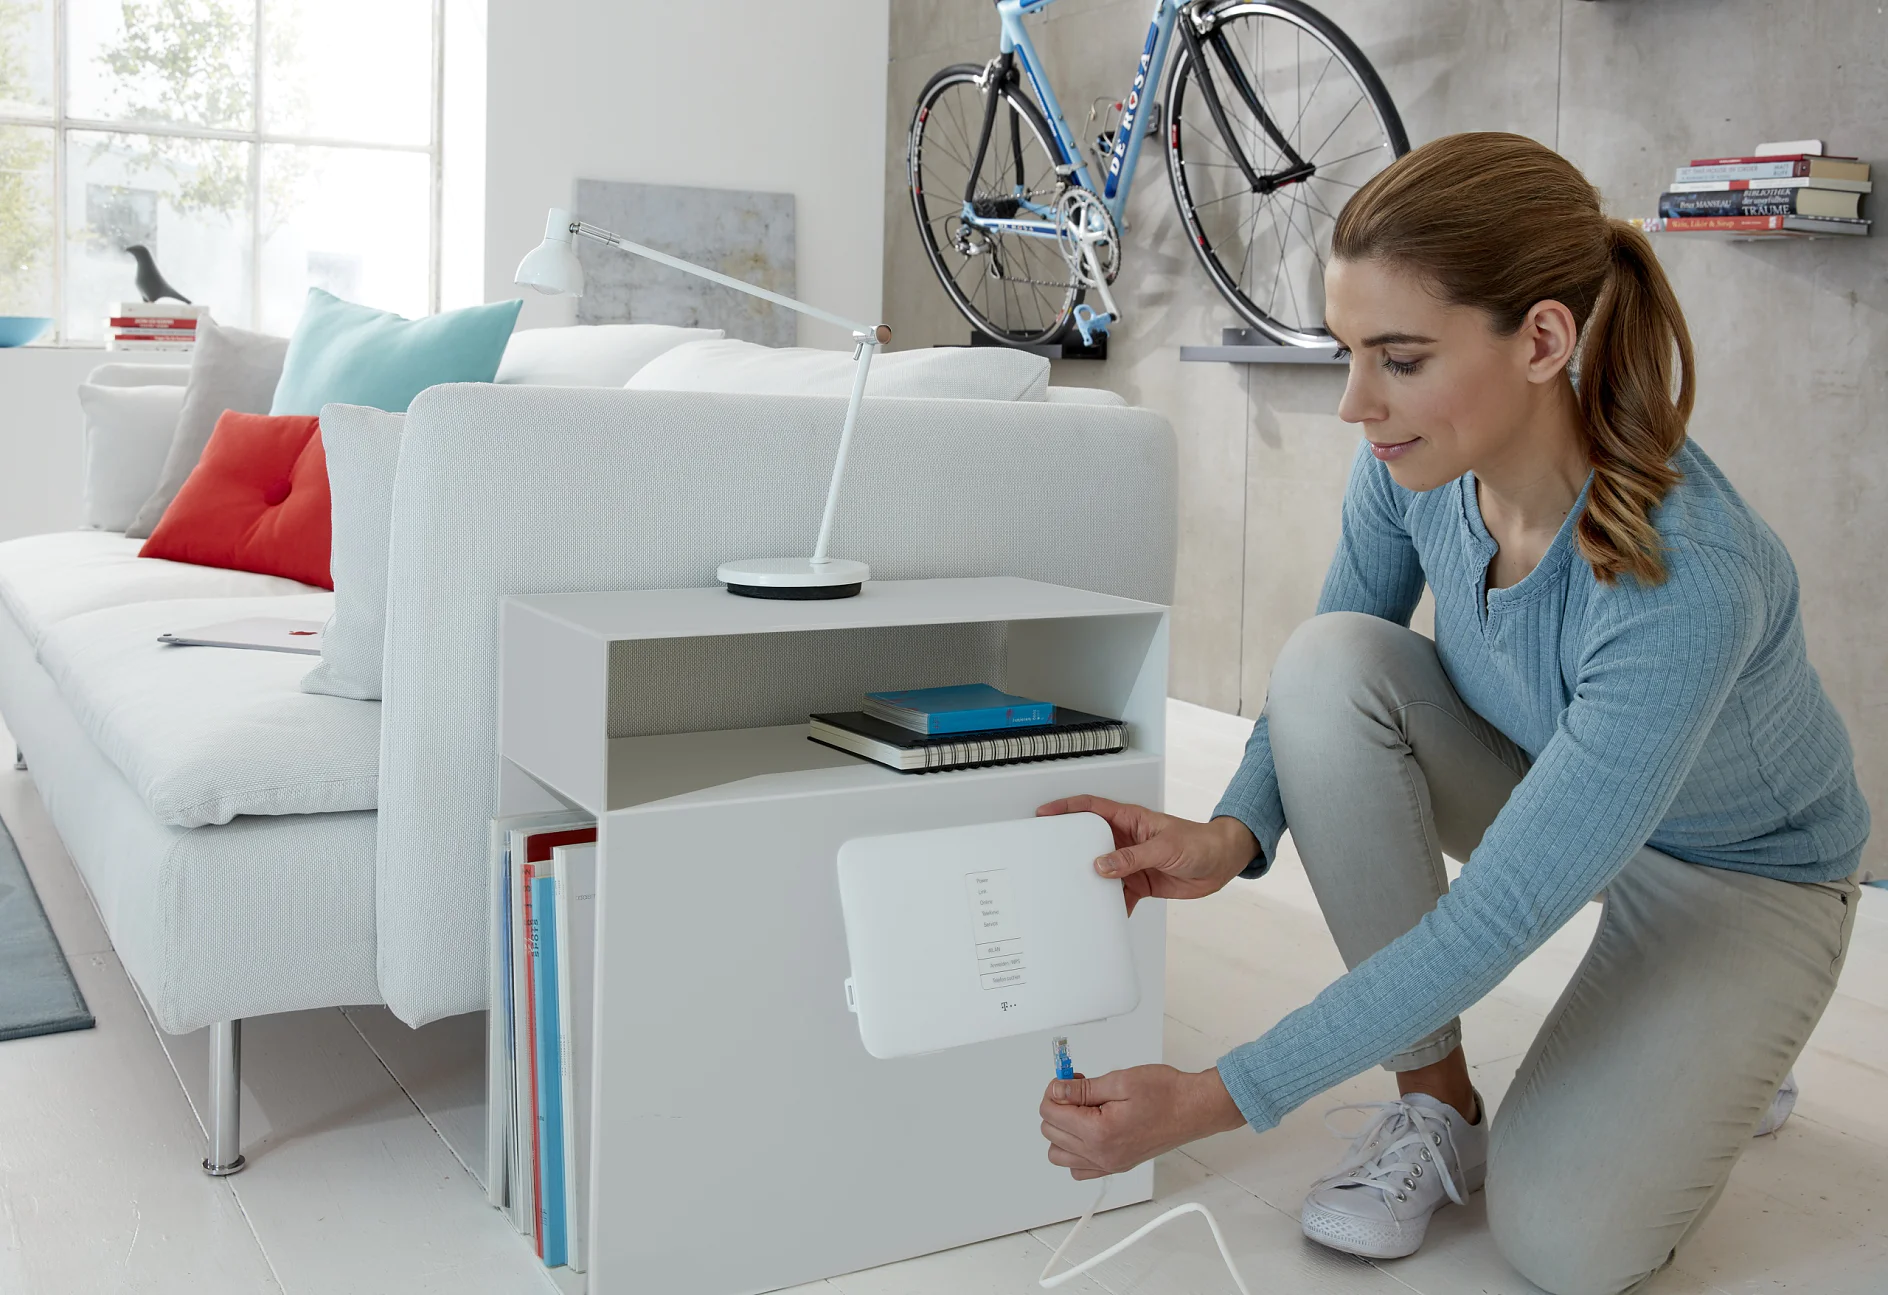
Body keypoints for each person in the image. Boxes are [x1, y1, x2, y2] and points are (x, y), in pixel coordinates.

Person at [1034, 132, 1868, 1295]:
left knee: (1565, 1245)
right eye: (1347, 352)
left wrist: (1216, 1095)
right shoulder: (1409, 465)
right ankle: (1438, 1106)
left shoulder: (1687, 576)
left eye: (1400, 357)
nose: (1354, 402)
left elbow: (1499, 913)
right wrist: (1230, 834)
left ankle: (1720, 1039)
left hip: (1740, 876)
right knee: (1330, 661)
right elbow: (1321, 680)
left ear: (1541, 341)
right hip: (1551, 781)